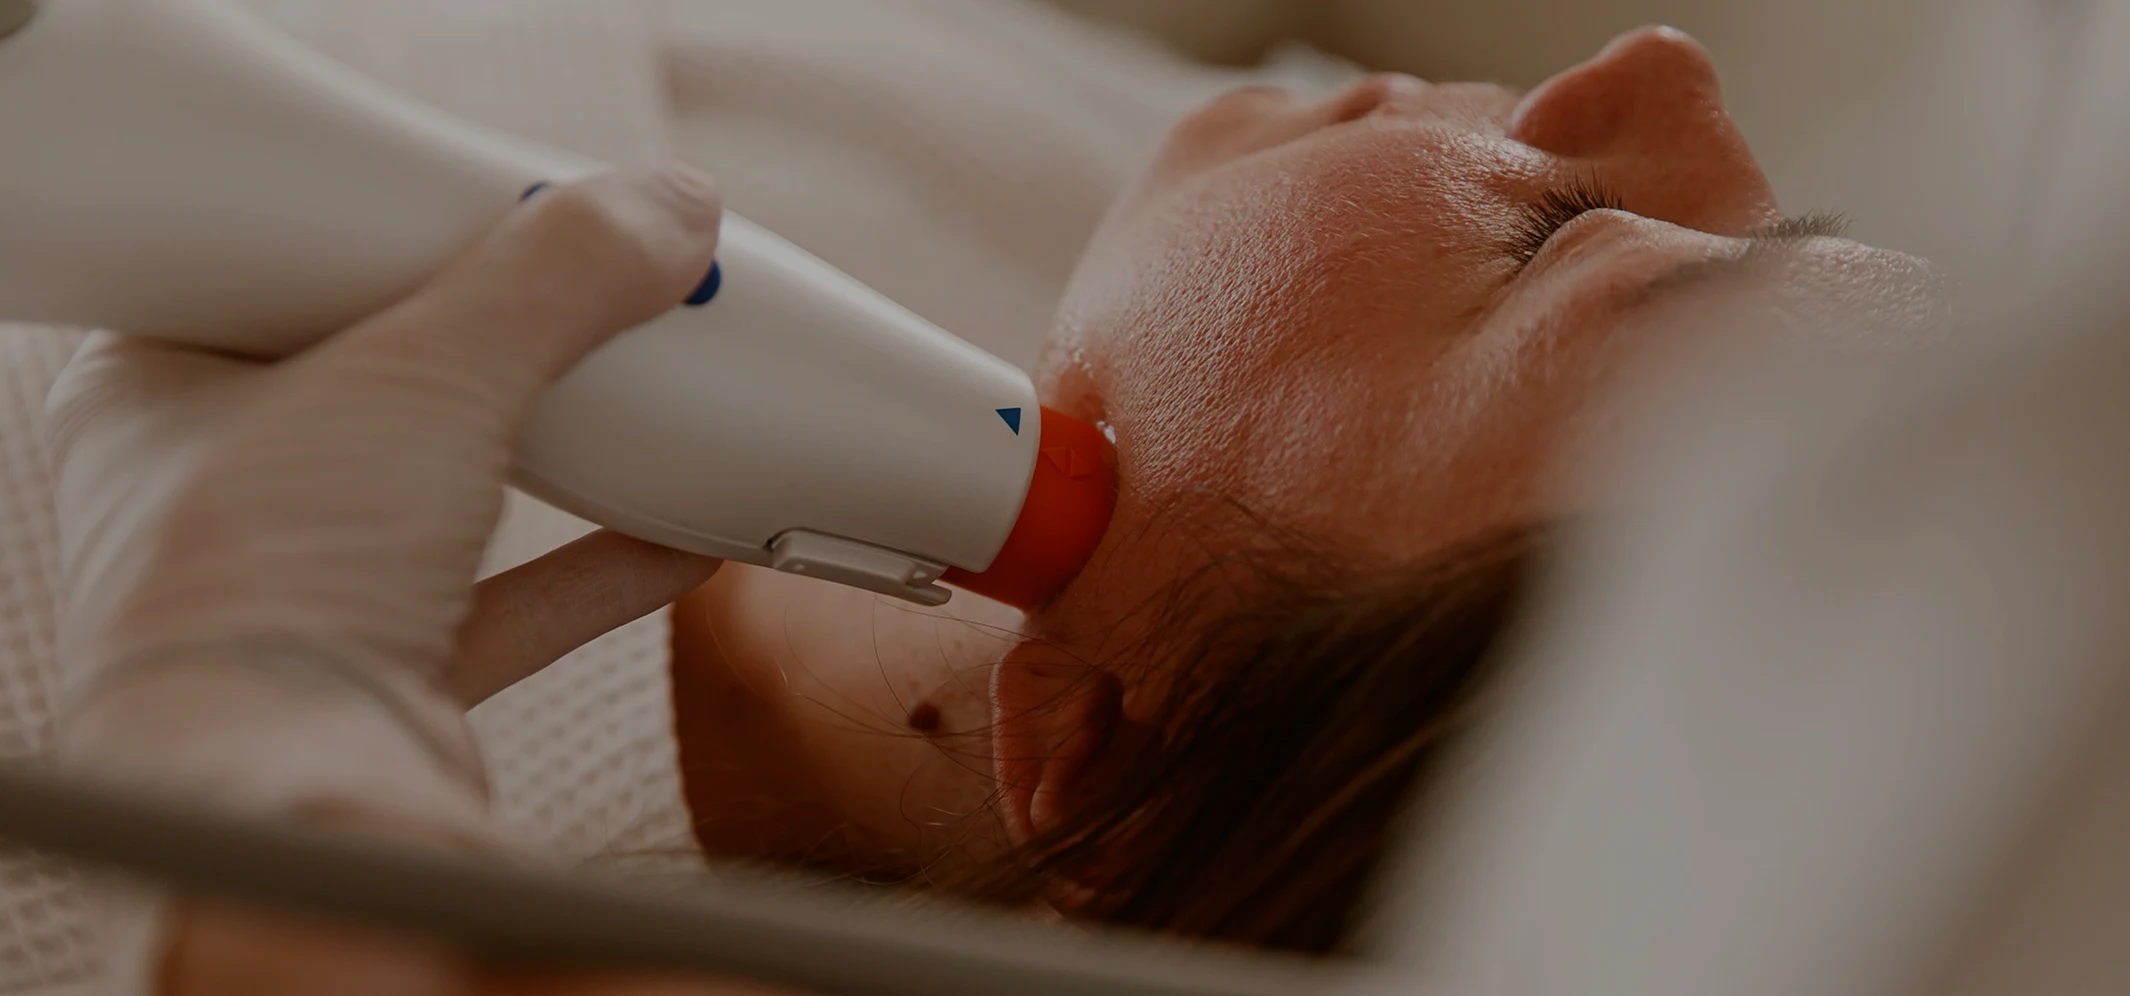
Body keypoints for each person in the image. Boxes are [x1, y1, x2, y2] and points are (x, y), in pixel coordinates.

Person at [39, 25, 1940, 995]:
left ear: (1104, 756)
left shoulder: (115, 858)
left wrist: (242, 734)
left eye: (1562, 242)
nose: (1659, 67)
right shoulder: (1129, 205)